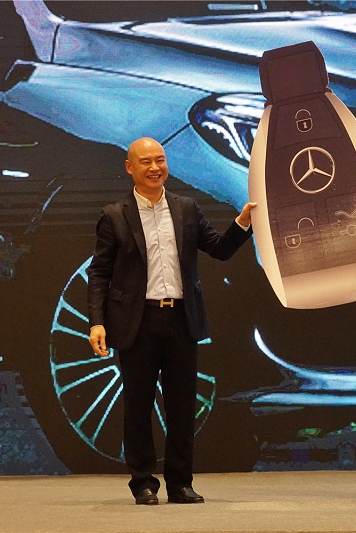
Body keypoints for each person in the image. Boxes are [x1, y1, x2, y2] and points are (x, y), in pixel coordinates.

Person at [87, 137, 256, 505]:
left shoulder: (186, 208)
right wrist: (97, 322)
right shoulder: (114, 215)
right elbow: (99, 273)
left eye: (160, 160)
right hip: (138, 322)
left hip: (181, 318)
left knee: (181, 406)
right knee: (138, 406)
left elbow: (219, 249)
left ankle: (181, 483)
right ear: (130, 168)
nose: (155, 168)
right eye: (145, 161)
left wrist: (243, 223)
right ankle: (143, 482)